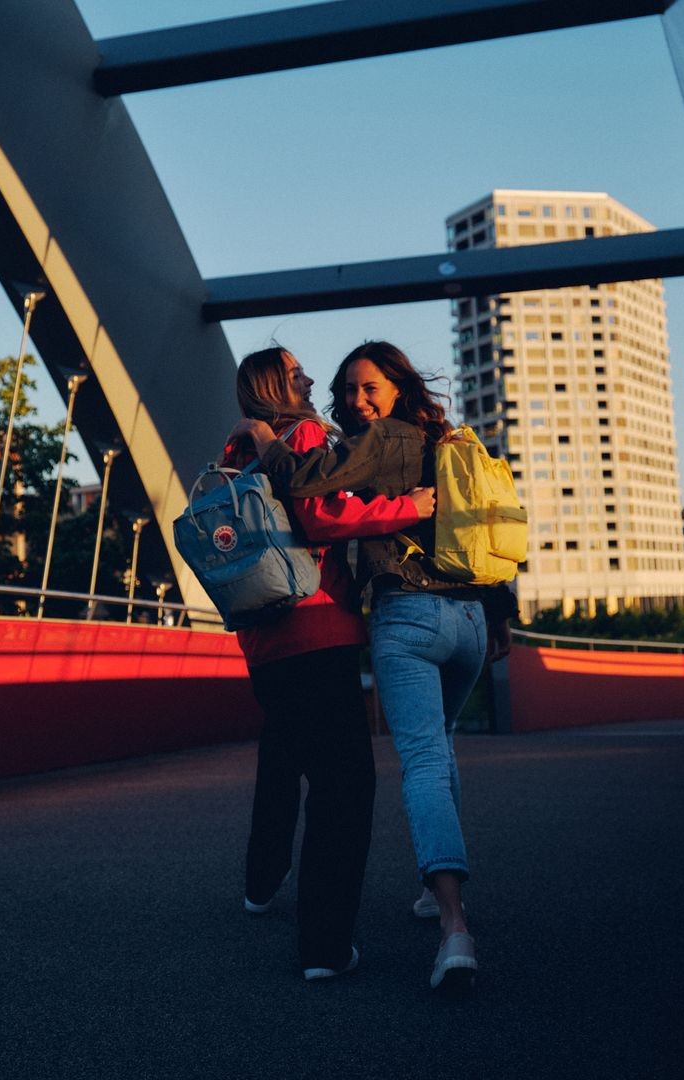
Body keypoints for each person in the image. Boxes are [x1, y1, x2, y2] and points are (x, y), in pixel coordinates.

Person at [230, 341, 517, 993]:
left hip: (306, 630)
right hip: (430, 617)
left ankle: (437, 918)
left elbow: (305, 496)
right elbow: (469, 527)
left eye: (366, 389)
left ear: (392, 389)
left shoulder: (271, 444)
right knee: (403, 764)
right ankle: (363, 926)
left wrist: (260, 438)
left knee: (340, 763)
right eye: (305, 374)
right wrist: (496, 610)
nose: (341, 394)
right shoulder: (433, 441)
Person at [222, 346, 434, 982]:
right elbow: (319, 515)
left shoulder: (236, 448)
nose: (312, 379)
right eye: (297, 372)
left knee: (285, 758)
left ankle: (261, 882)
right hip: (317, 628)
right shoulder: (301, 435)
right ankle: (324, 945)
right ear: (278, 385)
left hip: (262, 640)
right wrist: (410, 508)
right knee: (345, 788)